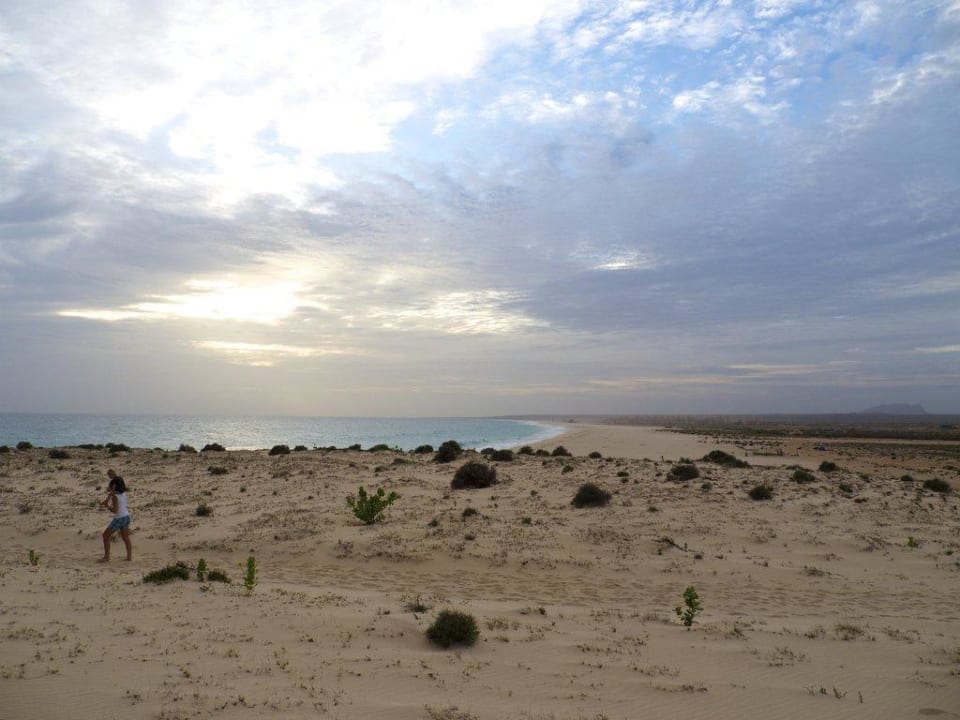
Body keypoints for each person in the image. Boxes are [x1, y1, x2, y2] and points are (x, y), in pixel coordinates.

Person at [100, 469, 132, 562]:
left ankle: (107, 557)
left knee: (105, 536)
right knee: (126, 538)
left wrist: (107, 506)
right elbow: (114, 490)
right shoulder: (123, 494)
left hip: (119, 518)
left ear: (114, 486)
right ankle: (129, 557)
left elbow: (115, 510)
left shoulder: (115, 497)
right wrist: (110, 495)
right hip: (126, 517)